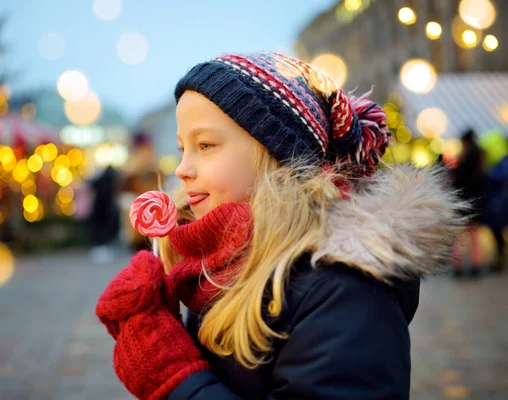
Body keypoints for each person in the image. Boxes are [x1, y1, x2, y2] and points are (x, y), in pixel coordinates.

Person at [95, 53, 467, 399]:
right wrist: (160, 327)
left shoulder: (343, 289)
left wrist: (176, 380)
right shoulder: (220, 266)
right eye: (182, 148)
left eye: (205, 145)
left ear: (276, 154)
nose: (182, 169)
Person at [450, 129, 486, 276]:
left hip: (463, 201)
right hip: (476, 202)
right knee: (475, 236)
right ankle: (476, 265)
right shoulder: (480, 158)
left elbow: (456, 182)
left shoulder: (463, 160)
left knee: (459, 237)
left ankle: (458, 266)